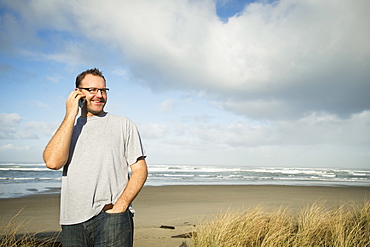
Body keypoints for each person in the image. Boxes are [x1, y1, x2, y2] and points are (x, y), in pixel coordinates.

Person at [43, 68, 148, 247]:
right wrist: (70, 114)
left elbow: (140, 170)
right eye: (92, 90)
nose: (99, 95)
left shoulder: (123, 124)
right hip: (72, 220)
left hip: (111, 216)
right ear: (78, 93)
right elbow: (53, 162)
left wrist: (120, 206)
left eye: (103, 90)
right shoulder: (68, 128)